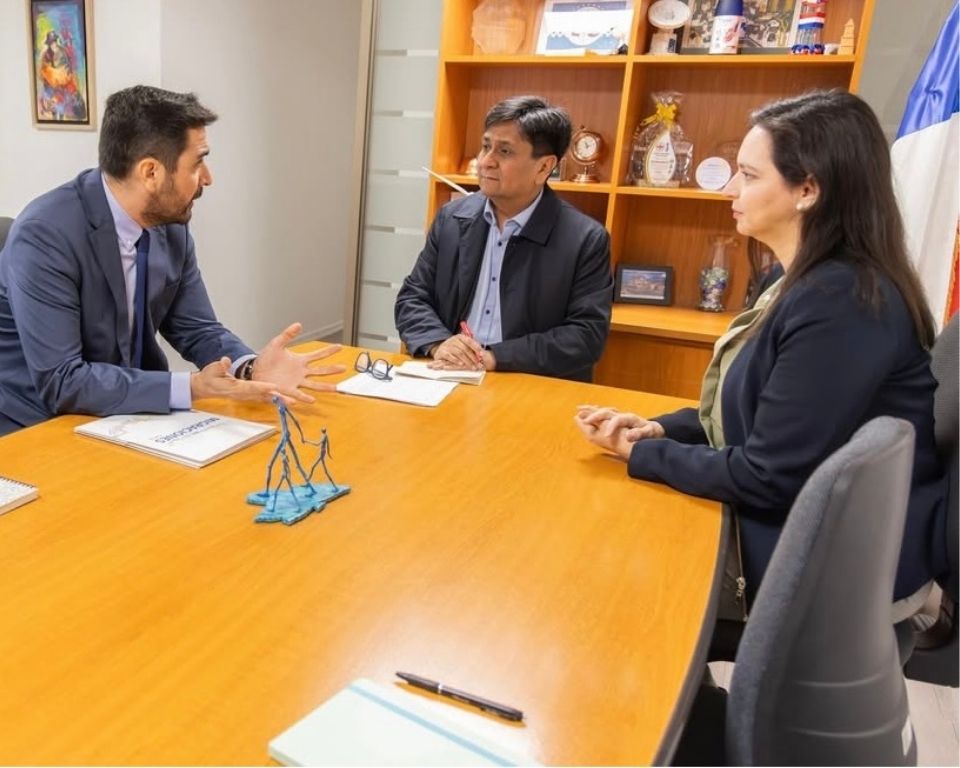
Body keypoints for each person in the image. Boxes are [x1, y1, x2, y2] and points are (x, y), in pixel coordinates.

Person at [575, 90, 948, 640]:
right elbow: (757, 418)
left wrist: (643, 454)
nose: (730, 188)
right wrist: (659, 430)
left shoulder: (842, 303)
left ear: (808, 189)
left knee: (597, 558)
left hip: (819, 562)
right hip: (788, 521)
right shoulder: (796, 278)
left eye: (749, 175)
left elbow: (767, 475)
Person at [0, 85, 343, 449]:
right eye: (197, 164)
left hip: (113, 415)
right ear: (151, 172)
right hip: (21, 421)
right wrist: (192, 388)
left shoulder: (169, 226)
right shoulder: (45, 234)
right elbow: (62, 381)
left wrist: (251, 367)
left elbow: (196, 328)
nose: (207, 179)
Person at [394, 95, 613, 382]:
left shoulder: (585, 239)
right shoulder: (452, 218)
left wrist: (495, 357)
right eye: (486, 146)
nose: (486, 162)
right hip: (448, 373)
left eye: (505, 151)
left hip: (527, 380)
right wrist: (439, 343)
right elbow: (413, 297)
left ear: (544, 167)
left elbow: (585, 336)